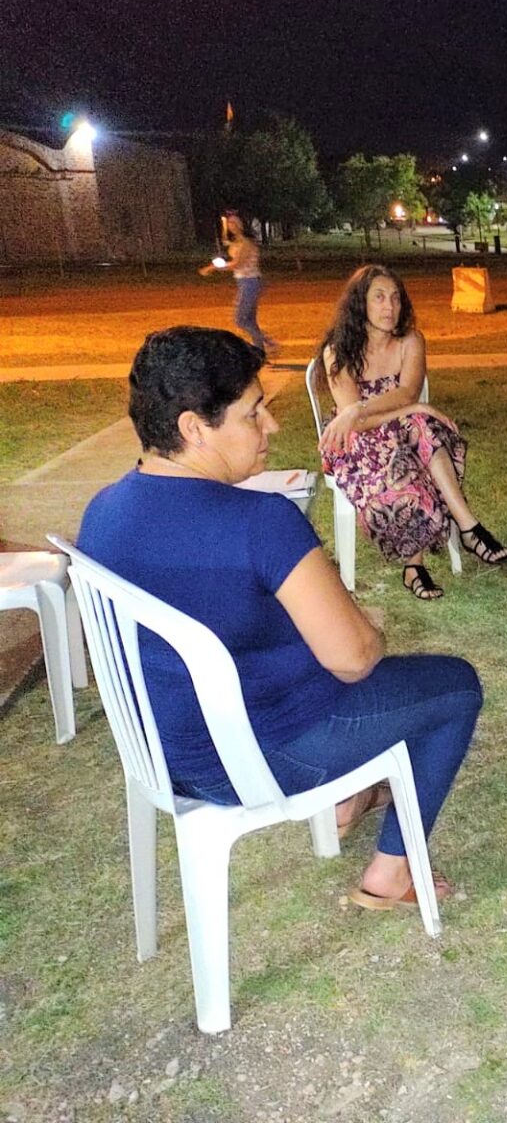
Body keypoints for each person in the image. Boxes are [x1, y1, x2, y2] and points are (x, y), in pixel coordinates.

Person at [79, 326, 482, 908]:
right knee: (455, 686)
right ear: (194, 428)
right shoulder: (261, 521)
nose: (271, 425)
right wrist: (366, 626)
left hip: (162, 754)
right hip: (260, 756)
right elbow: (353, 659)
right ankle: (391, 872)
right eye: (253, 413)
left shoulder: (103, 512)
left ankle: (352, 794)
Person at [318, 264, 507, 600]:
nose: (389, 306)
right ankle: (452, 542)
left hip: (403, 431)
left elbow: (408, 392)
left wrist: (398, 409)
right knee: (411, 441)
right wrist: (410, 409)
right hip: (356, 445)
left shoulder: (410, 341)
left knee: (419, 431)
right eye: (379, 297)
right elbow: (358, 424)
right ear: (359, 303)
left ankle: (458, 533)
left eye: (396, 298)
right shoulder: (338, 351)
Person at [199, 212, 275, 354]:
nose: (231, 226)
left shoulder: (246, 243)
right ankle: (260, 350)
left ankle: (269, 342)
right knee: (249, 320)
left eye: (233, 223)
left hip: (250, 282)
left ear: (240, 225)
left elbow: (236, 264)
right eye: (230, 223)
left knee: (241, 320)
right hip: (247, 282)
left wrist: (213, 267)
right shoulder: (238, 242)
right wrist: (223, 226)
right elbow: (226, 242)